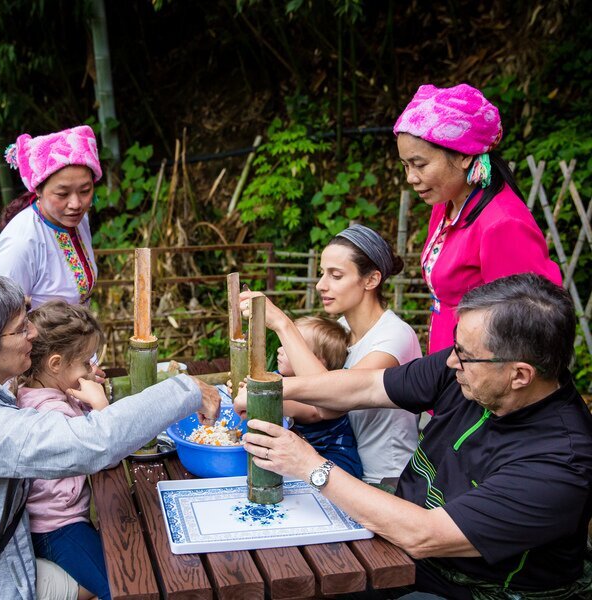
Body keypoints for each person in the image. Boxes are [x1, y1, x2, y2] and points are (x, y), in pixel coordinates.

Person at [235, 273, 592, 599]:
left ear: (520, 375)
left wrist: (310, 465)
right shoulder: (471, 373)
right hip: (398, 548)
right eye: (455, 346)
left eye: (465, 356)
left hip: (466, 588)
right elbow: (366, 385)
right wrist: (273, 389)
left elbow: (425, 535)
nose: (450, 362)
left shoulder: (560, 463)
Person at [0, 271, 220, 600]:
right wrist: (185, 390)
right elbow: (90, 443)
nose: (33, 334)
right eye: (20, 329)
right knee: (135, 580)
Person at [241, 224, 421, 484]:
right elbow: (314, 399)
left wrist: (282, 324)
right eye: (322, 274)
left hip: (386, 480)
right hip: (344, 470)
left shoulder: (394, 337)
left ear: (371, 280)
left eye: (335, 276)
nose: (320, 285)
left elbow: (328, 402)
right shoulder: (344, 329)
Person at [394, 83, 561, 354]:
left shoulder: (502, 224)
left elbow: (529, 323)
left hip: (483, 371)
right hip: (450, 359)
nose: (411, 177)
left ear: (463, 155)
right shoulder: (445, 204)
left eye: (420, 164)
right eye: (405, 165)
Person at [16, 300, 111, 600]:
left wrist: (84, 390)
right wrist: (102, 408)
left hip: (51, 520)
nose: (91, 369)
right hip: (57, 528)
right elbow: (105, 453)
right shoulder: (53, 414)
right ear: (55, 364)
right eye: (85, 362)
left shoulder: (33, 391)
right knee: (121, 586)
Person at [0, 125, 101, 309]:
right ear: (38, 190)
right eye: (62, 194)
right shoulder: (20, 243)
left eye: (85, 191)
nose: (76, 204)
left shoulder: (79, 220)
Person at [278, 315, 362, 479]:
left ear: (315, 361)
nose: (280, 349)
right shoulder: (284, 377)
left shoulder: (324, 394)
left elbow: (300, 409)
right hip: (305, 456)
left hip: (337, 464)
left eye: (289, 347)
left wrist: (254, 394)